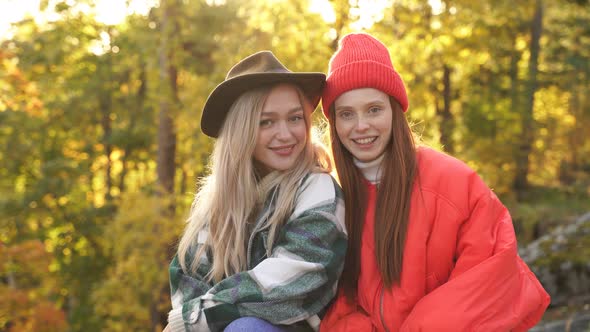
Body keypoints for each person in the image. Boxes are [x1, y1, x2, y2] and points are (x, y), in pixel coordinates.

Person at [318, 33, 550, 331]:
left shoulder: (454, 183)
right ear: (335, 123)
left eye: (374, 109)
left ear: (395, 110)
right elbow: (342, 303)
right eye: (347, 114)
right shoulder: (335, 198)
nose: (361, 126)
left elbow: (486, 277)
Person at [165, 51, 347, 332]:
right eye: (266, 122)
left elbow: (293, 277)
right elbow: (189, 282)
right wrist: (194, 319)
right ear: (241, 130)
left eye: (295, 118)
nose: (286, 134)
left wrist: (198, 317)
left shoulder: (318, 190)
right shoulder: (215, 203)